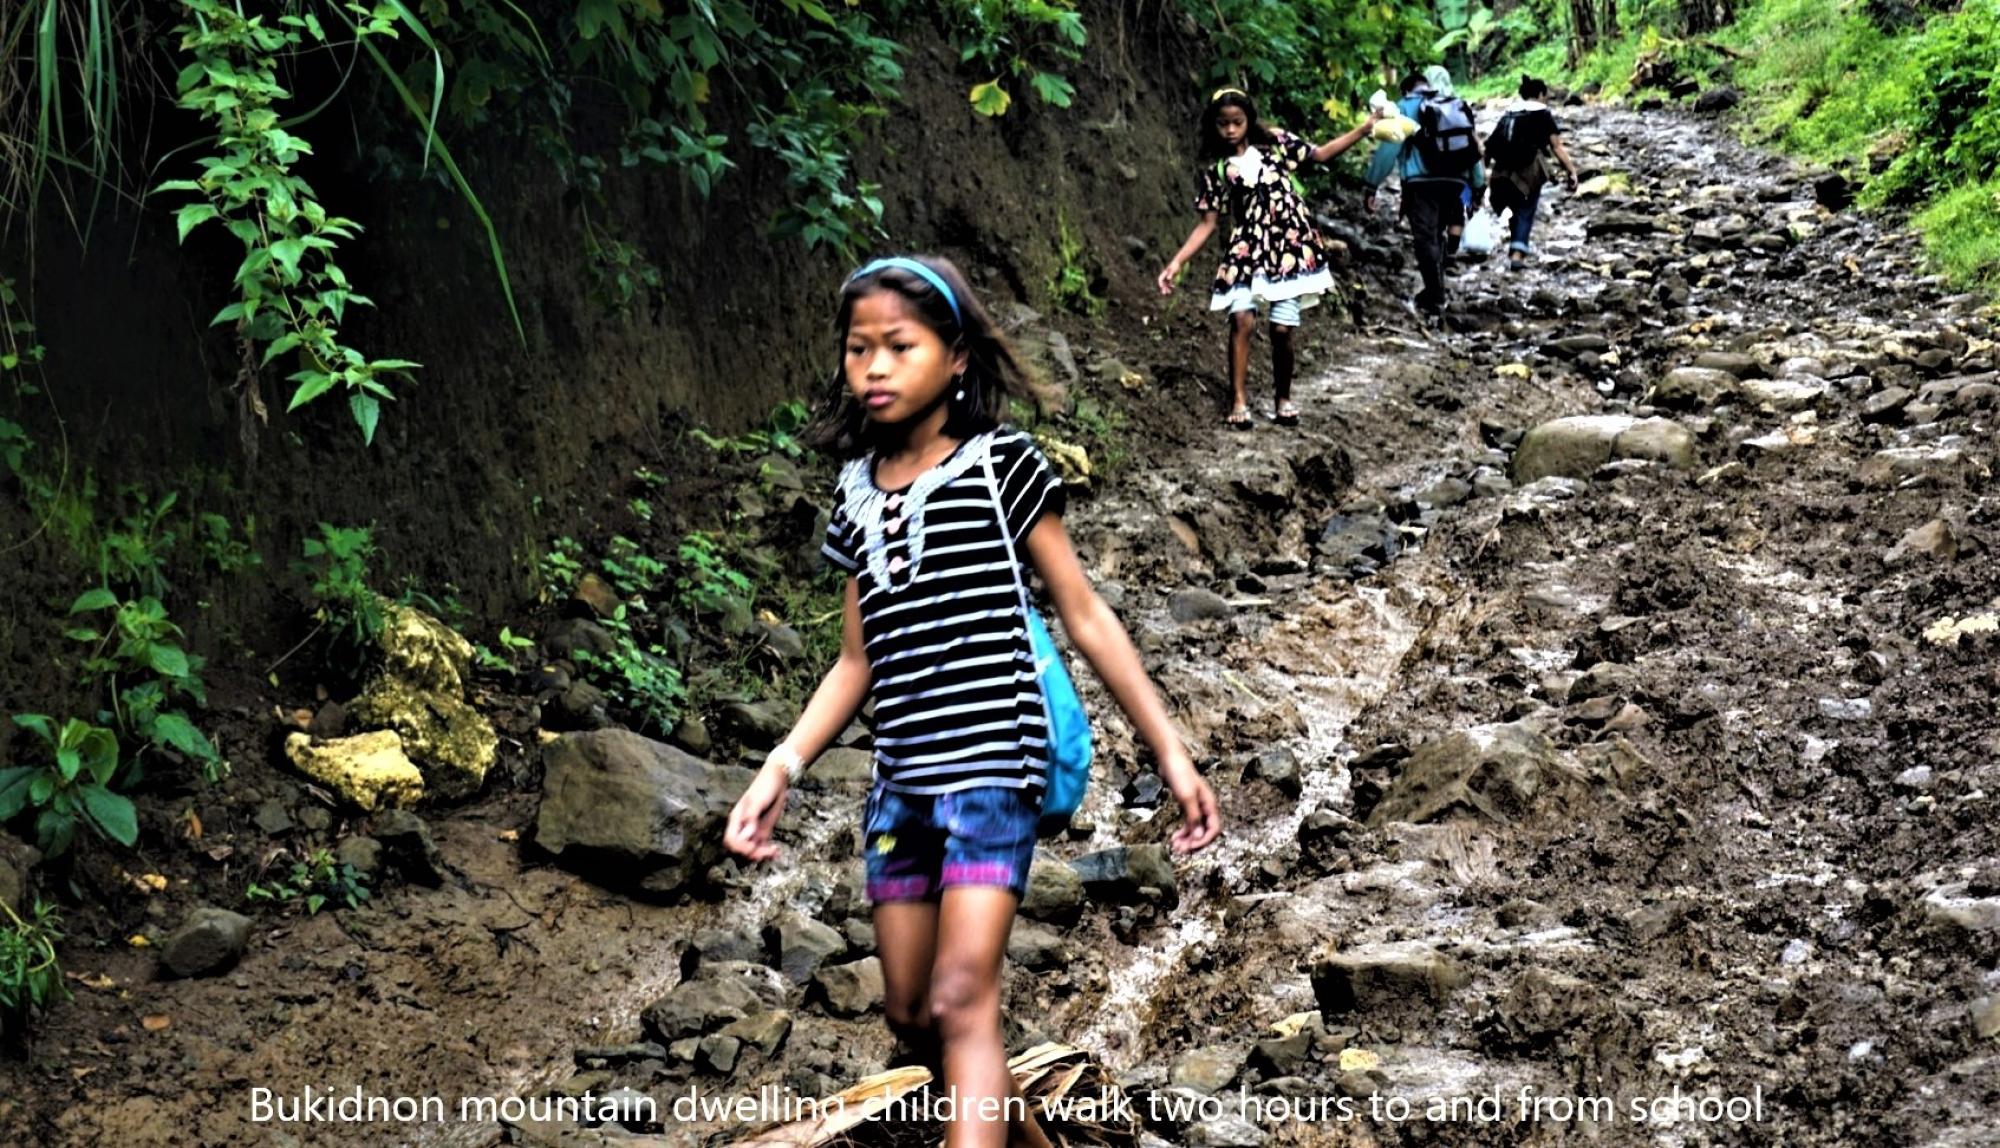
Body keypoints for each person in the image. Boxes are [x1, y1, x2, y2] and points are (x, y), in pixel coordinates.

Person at [724, 255, 1222, 1148]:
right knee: (916, 1015)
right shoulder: (853, 497)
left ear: (955, 359)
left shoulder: (1002, 468)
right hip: (902, 783)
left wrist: (1170, 751)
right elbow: (853, 662)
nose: (872, 367)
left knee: (962, 998)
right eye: (856, 349)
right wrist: (780, 769)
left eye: (899, 347)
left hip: (996, 764)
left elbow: (1085, 615)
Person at [1157, 88, 1379, 429]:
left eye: (1237, 122)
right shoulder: (1216, 169)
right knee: (1242, 319)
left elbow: (1319, 155)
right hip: (1246, 250)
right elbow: (1207, 224)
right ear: (1213, 126)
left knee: (1281, 329)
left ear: (1249, 120)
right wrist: (1177, 262)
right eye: (1223, 124)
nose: (1230, 130)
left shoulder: (1275, 144)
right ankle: (1239, 399)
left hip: (1289, 247)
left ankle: (1283, 397)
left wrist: (1364, 129)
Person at [1363, 70, 1489, 322]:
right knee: (1439, 233)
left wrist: (1371, 183)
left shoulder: (1404, 107)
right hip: (1456, 181)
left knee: (1426, 238)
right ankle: (1437, 288)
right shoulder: (1454, 104)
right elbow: (1471, 146)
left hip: (1421, 184)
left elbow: (1390, 147)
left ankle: (1435, 295)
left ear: (1406, 90)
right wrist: (1477, 185)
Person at [1485, 75, 1581, 267]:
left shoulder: (1509, 114)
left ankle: (1514, 241)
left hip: (1501, 171)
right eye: (1546, 96)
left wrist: (1481, 174)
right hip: (1528, 171)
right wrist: (1571, 171)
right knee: (1525, 210)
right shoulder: (1542, 113)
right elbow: (1556, 146)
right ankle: (1517, 255)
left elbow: (1490, 146)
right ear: (1540, 94)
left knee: (1511, 208)